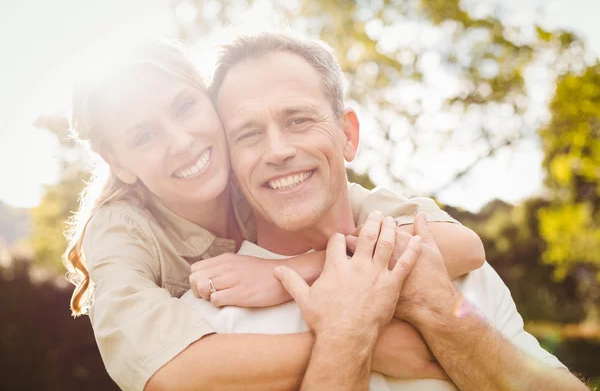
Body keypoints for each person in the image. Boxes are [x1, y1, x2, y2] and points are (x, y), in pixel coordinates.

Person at [64, 39, 484, 391]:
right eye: (144, 136)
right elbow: (164, 369)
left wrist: (288, 272)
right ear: (117, 162)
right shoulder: (120, 232)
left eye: (184, 106)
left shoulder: (269, 174)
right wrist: (362, 339)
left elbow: (460, 245)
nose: (182, 141)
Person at [190, 31, 586, 390]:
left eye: (299, 119)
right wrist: (348, 335)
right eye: (249, 134)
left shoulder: (443, 262)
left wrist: (439, 314)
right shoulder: (206, 325)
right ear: (230, 164)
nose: (277, 151)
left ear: (347, 135)